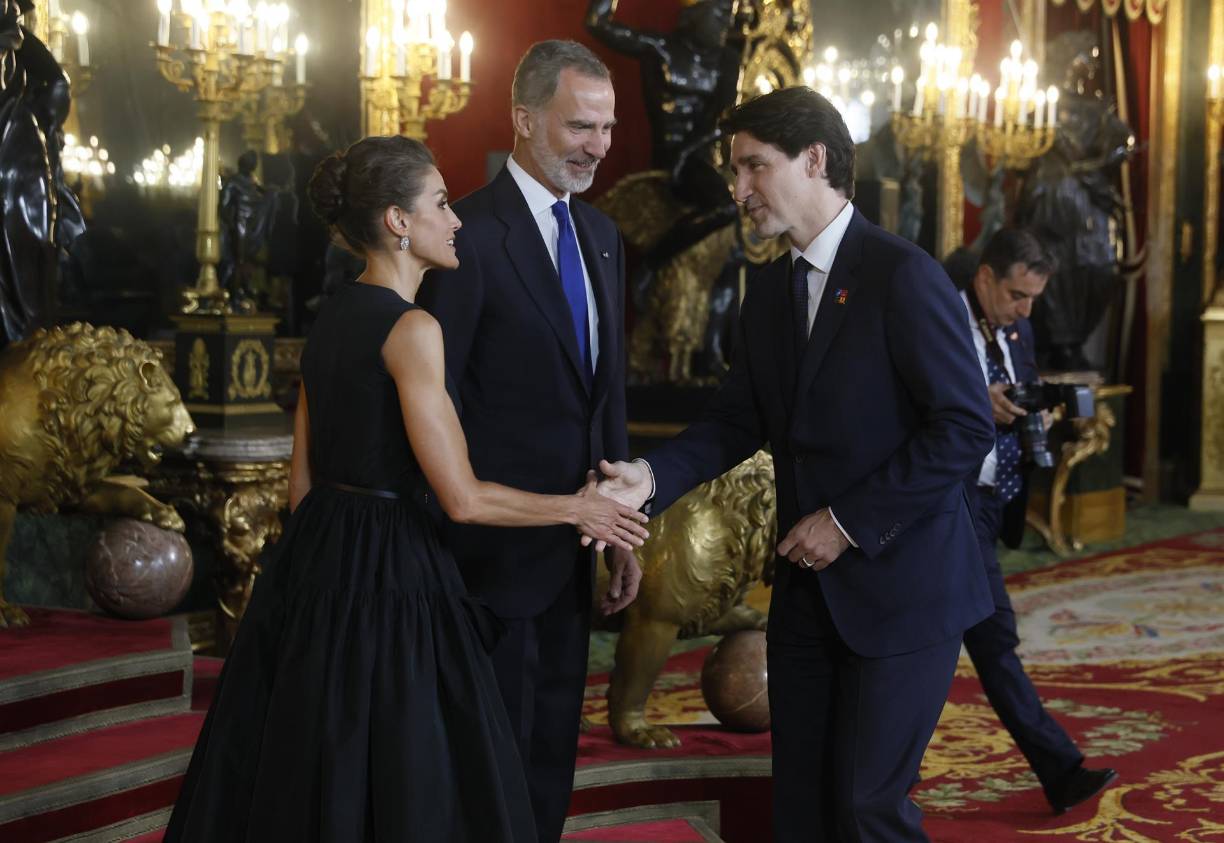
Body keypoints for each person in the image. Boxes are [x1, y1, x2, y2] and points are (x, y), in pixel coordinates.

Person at [164, 135, 650, 843]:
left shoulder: (330, 318)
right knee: (417, 778)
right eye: (441, 204)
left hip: (315, 569)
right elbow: (464, 498)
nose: (456, 221)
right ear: (397, 220)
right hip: (397, 574)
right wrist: (579, 507)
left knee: (312, 770)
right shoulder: (414, 328)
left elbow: (302, 486)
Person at [597, 86, 996, 842]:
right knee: (803, 811)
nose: (738, 190)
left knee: (867, 811)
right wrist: (648, 480)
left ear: (815, 159)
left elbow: (963, 426)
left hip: (904, 592)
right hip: (807, 600)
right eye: (734, 171)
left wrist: (848, 522)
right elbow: (732, 421)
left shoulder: (901, 275)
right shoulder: (768, 293)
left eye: (753, 167)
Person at [417, 40, 636, 843]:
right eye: (582, 126)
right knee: (485, 766)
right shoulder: (462, 234)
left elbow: (606, 394)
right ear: (523, 119)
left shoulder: (605, 236)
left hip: (575, 555)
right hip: (485, 562)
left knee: (551, 758)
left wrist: (620, 530)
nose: (600, 146)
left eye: (608, 128)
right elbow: (434, 400)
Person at [956, 227, 1118, 814]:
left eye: (1033, 299)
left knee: (950, 644)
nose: (1026, 310)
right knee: (991, 637)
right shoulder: (942, 319)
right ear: (985, 278)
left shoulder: (1018, 327)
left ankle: (875, 783)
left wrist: (1034, 417)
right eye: (1018, 295)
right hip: (947, 506)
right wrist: (980, 401)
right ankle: (1061, 770)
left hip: (988, 503)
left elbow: (1021, 394)